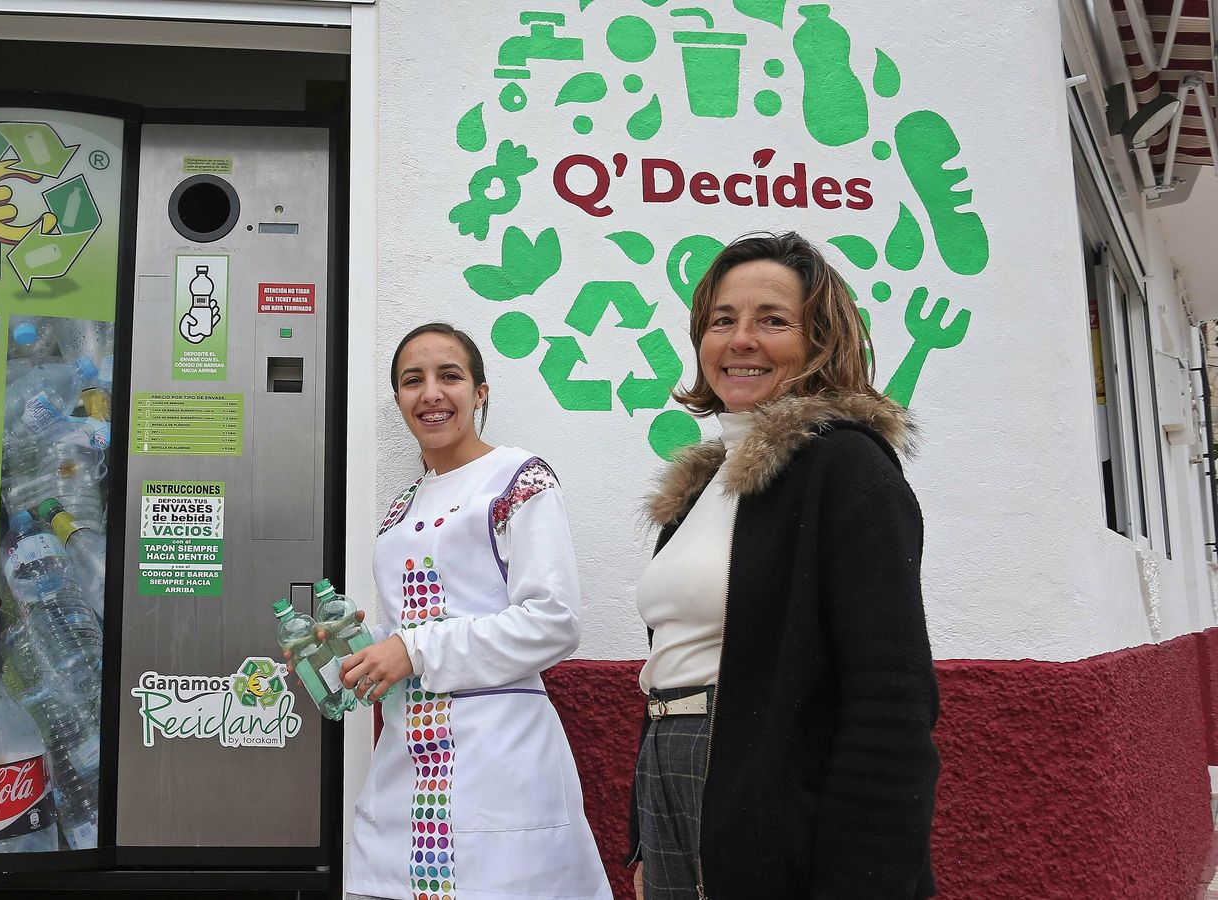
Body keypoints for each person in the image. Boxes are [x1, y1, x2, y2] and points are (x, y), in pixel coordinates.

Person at [628, 232, 940, 898]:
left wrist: (863, 883)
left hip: (768, 801)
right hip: (670, 778)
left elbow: (891, 696)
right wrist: (643, 836)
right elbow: (674, 660)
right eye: (722, 321)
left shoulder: (847, 468)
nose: (740, 340)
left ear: (820, 340)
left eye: (772, 320)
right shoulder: (702, 487)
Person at [330, 322, 612, 900]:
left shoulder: (518, 478)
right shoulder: (401, 508)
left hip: (500, 763)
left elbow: (553, 620)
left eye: (450, 376)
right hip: (408, 767)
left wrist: (412, 649)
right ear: (398, 399)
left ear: (480, 392)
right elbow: (408, 632)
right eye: (413, 380)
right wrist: (344, 655)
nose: (431, 393)